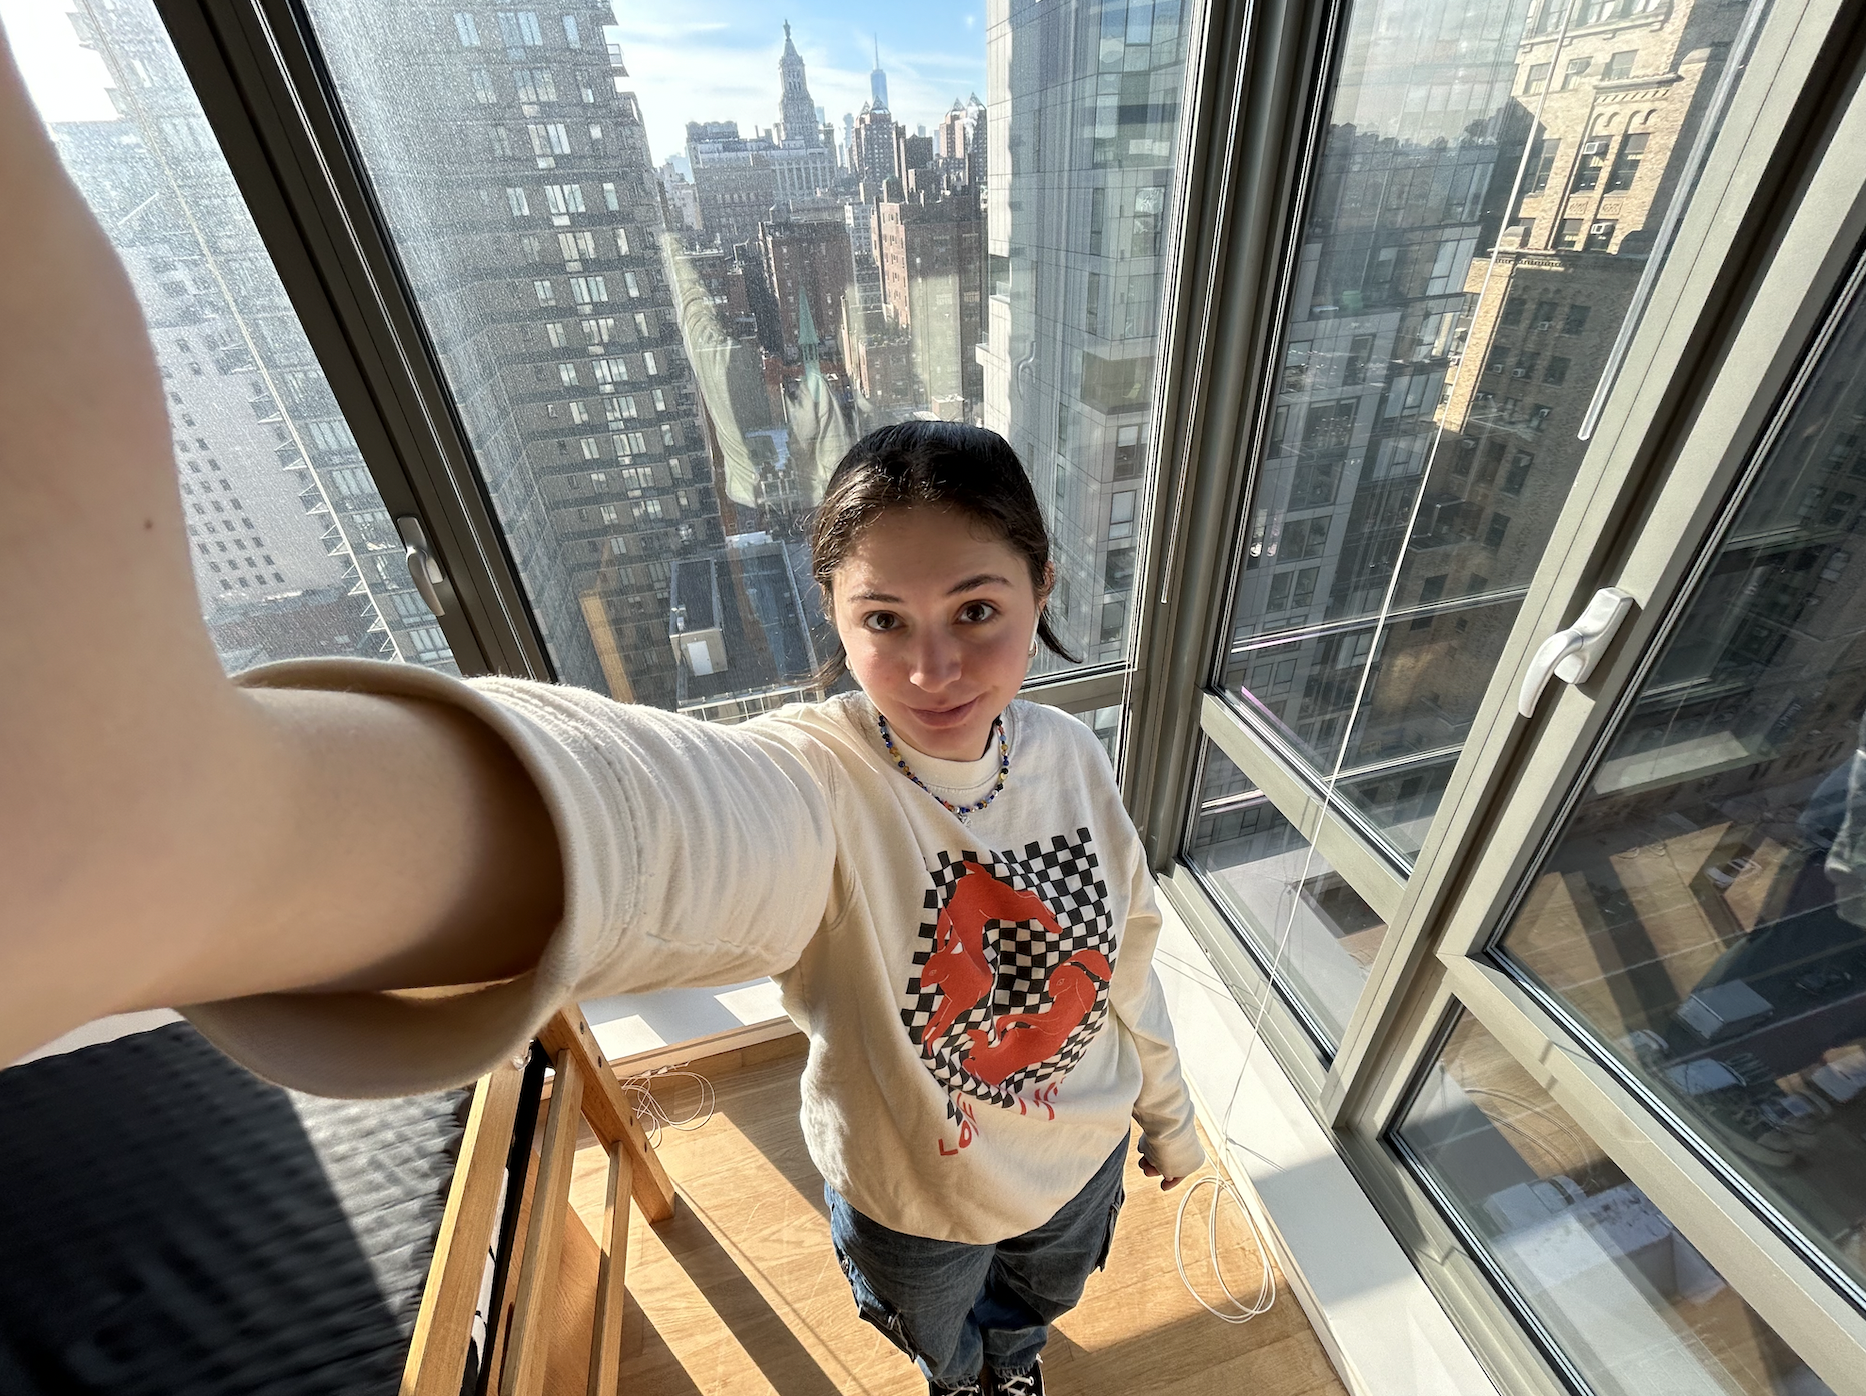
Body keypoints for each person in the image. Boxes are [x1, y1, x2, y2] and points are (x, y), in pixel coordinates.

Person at [0, 31, 1202, 1396]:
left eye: (976, 611)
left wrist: (1158, 1113)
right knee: (937, 1338)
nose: (933, 665)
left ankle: (1016, 1358)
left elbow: (1127, 950)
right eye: (884, 622)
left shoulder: (1072, 755)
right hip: (918, 1202)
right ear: (832, 620)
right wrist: (223, 851)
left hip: (1081, 1161)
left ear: (1039, 584)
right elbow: (686, 827)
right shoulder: (818, 780)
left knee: (1029, 1312)